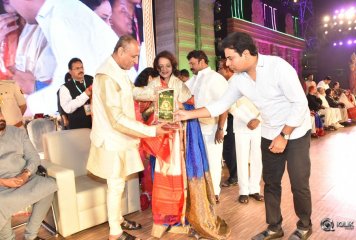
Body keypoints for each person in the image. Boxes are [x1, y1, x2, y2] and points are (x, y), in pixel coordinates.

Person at [176, 32, 313, 240]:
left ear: (246, 53)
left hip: (295, 131)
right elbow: (220, 105)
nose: (227, 63)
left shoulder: (278, 67)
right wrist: (188, 113)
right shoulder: (239, 80)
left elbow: (300, 104)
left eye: (230, 58)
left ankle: (304, 225)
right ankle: (274, 227)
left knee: (298, 182)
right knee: (270, 182)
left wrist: (284, 135)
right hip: (269, 132)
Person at [133, 50, 230, 239]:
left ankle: (179, 219)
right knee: (159, 178)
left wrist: (179, 106)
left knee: (176, 179)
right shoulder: (153, 84)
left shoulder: (181, 85)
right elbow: (138, 98)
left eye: (167, 66)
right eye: (160, 67)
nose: (164, 70)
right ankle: (162, 220)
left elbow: (191, 107)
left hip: (177, 141)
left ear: (173, 66)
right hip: (158, 140)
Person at [86, 35, 169, 240]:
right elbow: (116, 119)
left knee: (119, 184)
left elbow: (131, 92)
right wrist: (151, 131)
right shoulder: (106, 76)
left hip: (120, 138)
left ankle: (119, 220)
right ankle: (115, 232)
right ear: (121, 51)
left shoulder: (119, 71)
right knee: (115, 185)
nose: (135, 61)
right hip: (111, 140)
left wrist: (155, 93)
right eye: (133, 56)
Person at [8, 0, 118, 114]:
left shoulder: (64, 17)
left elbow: (78, 86)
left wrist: (28, 108)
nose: (11, 4)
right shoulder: (61, 12)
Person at [0, 106, 57, 240]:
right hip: (1, 184)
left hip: (23, 177)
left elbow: (34, 157)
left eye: (0, 113)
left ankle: (31, 235)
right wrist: (4, 181)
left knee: (48, 186)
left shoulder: (17, 132)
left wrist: (25, 174)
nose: (0, 118)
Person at [186, 50, 228, 202]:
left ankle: (215, 192)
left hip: (212, 128)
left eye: (192, 63)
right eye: (190, 64)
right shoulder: (193, 80)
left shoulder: (216, 79)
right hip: (196, 128)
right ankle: (204, 192)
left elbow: (225, 105)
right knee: (201, 161)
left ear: (202, 61)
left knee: (213, 160)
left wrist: (221, 129)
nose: (190, 66)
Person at [217, 59, 237, 187]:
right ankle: (235, 176)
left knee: (230, 149)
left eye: (220, 68)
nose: (218, 71)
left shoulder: (233, 83)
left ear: (227, 69)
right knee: (230, 149)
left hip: (234, 118)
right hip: (232, 118)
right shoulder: (229, 82)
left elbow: (230, 105)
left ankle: (234, 176)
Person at [59, 58, 93, 129]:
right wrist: (85, 95)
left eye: (82, 67)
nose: (81, 70)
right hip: (78, 127)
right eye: (77, 68)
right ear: (70, 71)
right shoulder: (65, 87)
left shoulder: (91, 80)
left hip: (95, 124)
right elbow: (67, 108)